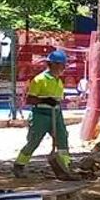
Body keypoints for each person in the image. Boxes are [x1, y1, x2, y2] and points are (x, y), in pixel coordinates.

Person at [14, 49, 75, 178]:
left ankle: (65, 167)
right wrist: (45, 100)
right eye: (61, 64)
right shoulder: (40, 79)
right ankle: (19, 165)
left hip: (56, 114)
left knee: (62, 139)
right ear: (53, 64)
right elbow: (30, 99)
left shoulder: (58, 80)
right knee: (34, 141)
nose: (63, 67)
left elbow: (57, 98)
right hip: (41, 115)